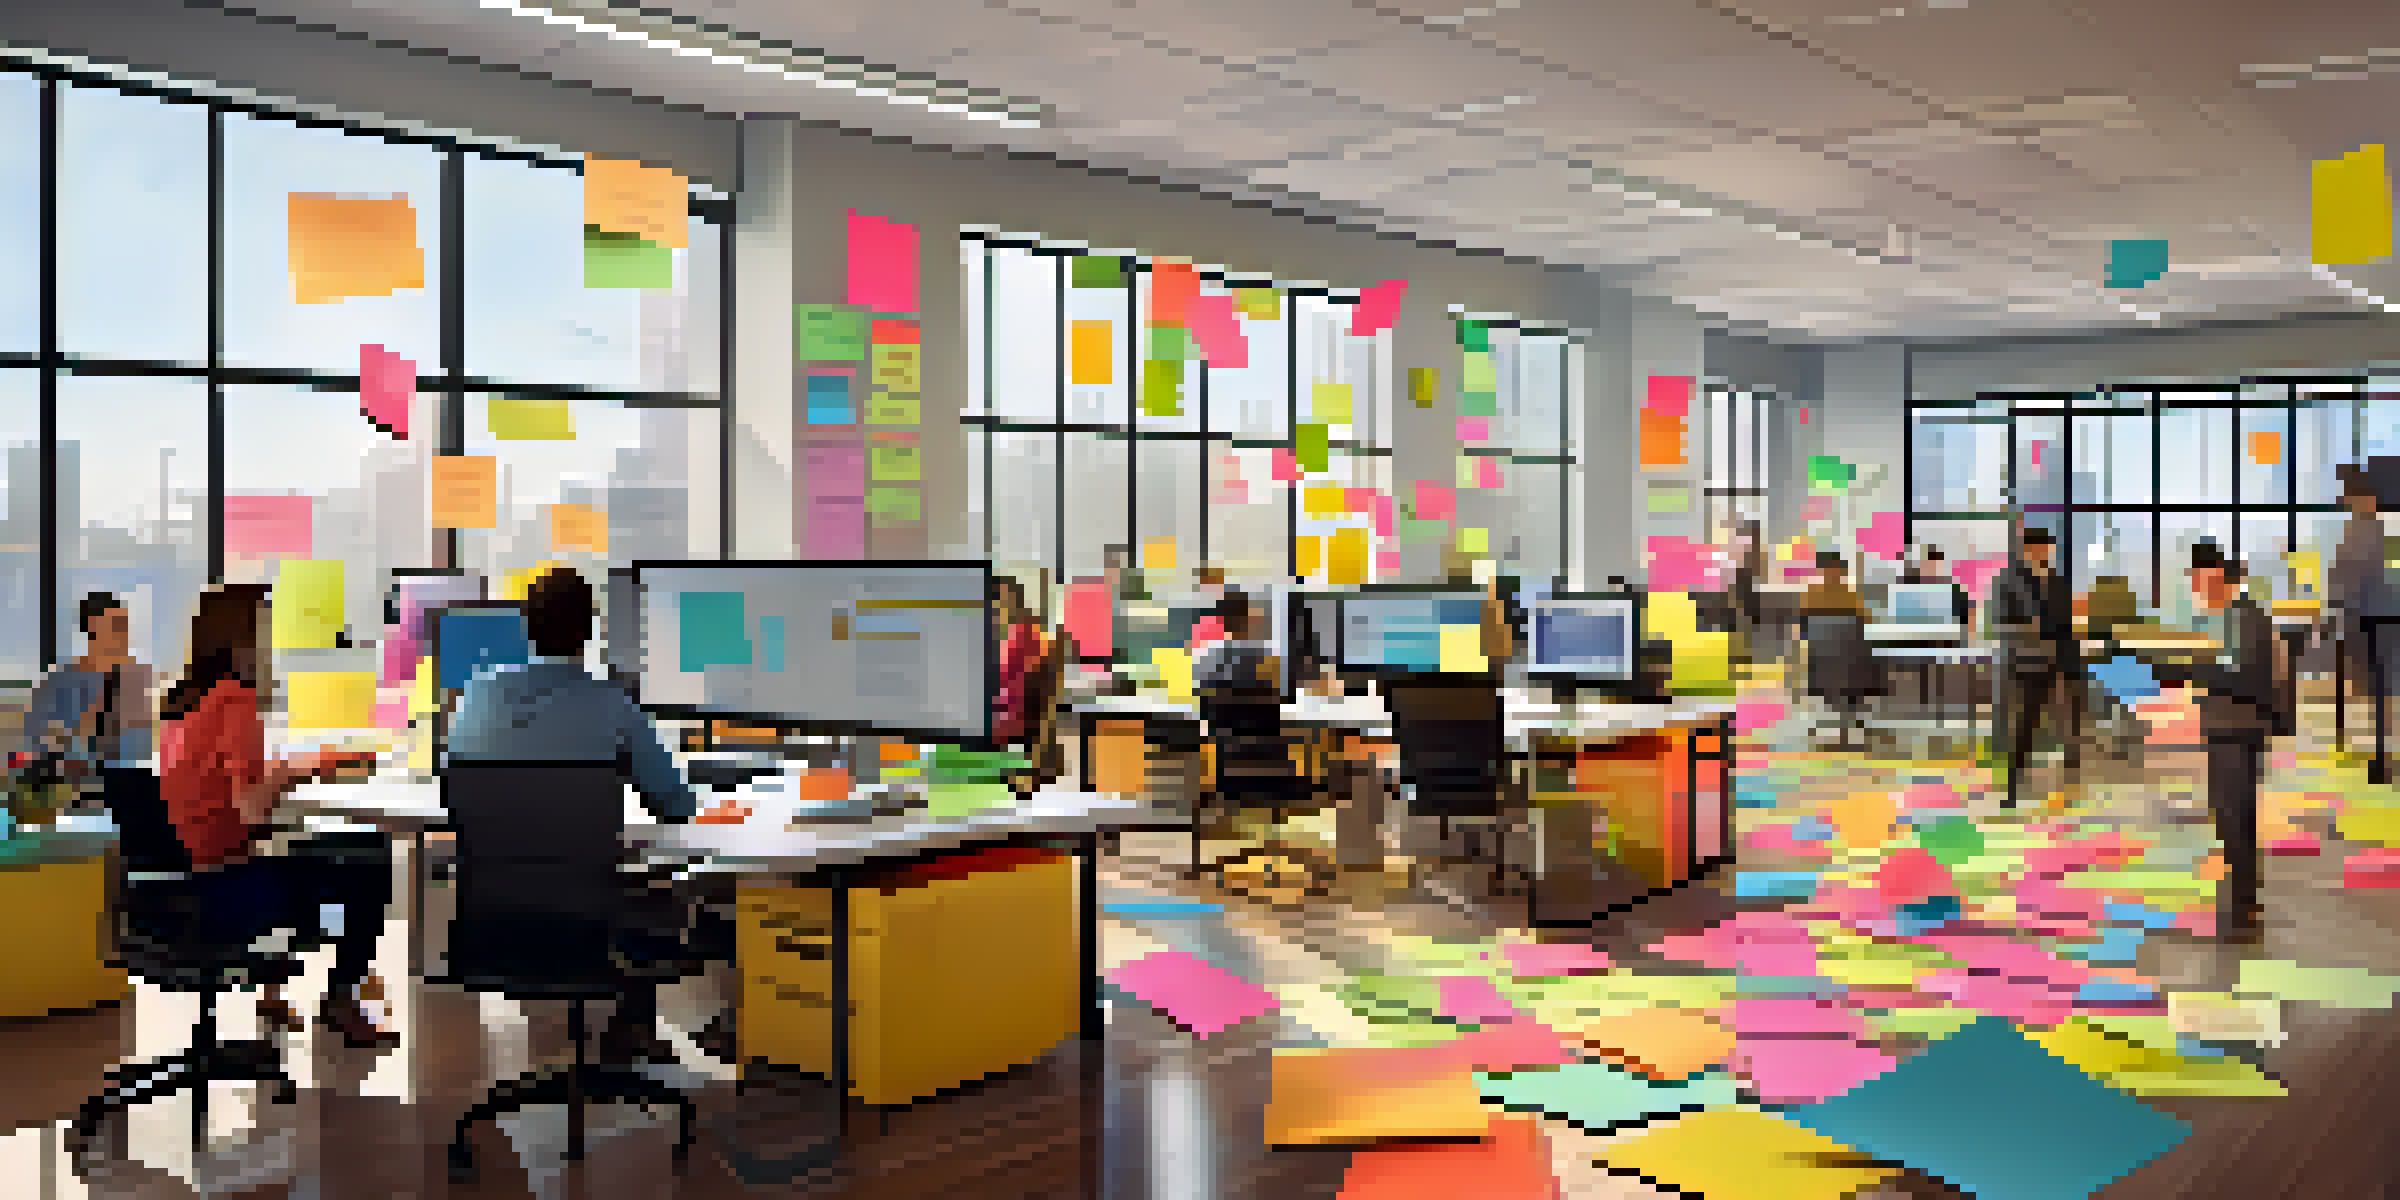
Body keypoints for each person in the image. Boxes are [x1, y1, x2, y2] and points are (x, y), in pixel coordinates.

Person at [445, 567, 712, 1063]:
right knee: (675, 896)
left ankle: (625, 1032)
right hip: (590, 928)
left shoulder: (475, 698)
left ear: (525, 626)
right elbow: (674, 806)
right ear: (589, 629)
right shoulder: (612, 704)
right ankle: (632, 1030)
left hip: (494, 926)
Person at [155, 584, 393, 1047]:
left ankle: (273, 986)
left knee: (299, 850)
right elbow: (251, 810)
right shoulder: (236, 700)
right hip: (225, 889)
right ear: (240, 640)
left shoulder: (179, 704)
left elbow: (220, 794)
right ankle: (340, 999)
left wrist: (292, 768)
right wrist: (296, 772)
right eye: (263, 633)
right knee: (368, 855)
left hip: (175, 887)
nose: (268, 648)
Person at [2155, 542, 2280, 940]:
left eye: (2199, 580)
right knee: (2234, 817)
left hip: (2236, 728)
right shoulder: (2239, 616)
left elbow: (2241, 677)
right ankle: (2244, 904)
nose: (2196, 589)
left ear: (2218, 578)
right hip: (2233, 726)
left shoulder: (2243, 617)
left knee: (2233, 817)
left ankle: (2243, 911)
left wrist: (2190, 667)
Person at [20, 593, 156, 822]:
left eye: (124, 628)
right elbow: (38, 746)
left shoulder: (133, 680)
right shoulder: (59, 682)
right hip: (73, 793)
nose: (124, 636)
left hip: (127, 788)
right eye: (116, 626)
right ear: (93, 626)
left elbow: (139, 748)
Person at [1987, 527, 2079, 806]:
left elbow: (2067, 626)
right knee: (2022, 728)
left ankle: (2068, 789)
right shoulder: (2009, 581)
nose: (2041, 553)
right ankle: (2013, 789)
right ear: (2026, 550)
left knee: (2069, 728)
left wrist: (2070, 661)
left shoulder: (2058, 582)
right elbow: (2002, 622)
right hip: (2025, 663)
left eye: (2046, 548)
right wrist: (2031, 631)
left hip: (2059, 662)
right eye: (2035, 548)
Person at [2328, 468, 2390, 754]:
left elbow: (2348, 576)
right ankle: (2375, 743)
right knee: (2370, 685)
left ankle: (2376, 746)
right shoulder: (2366, 528)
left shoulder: (2365, 530)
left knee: (2370, 682)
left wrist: (2333, 600)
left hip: (2364, 618)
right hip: (2365, 616)